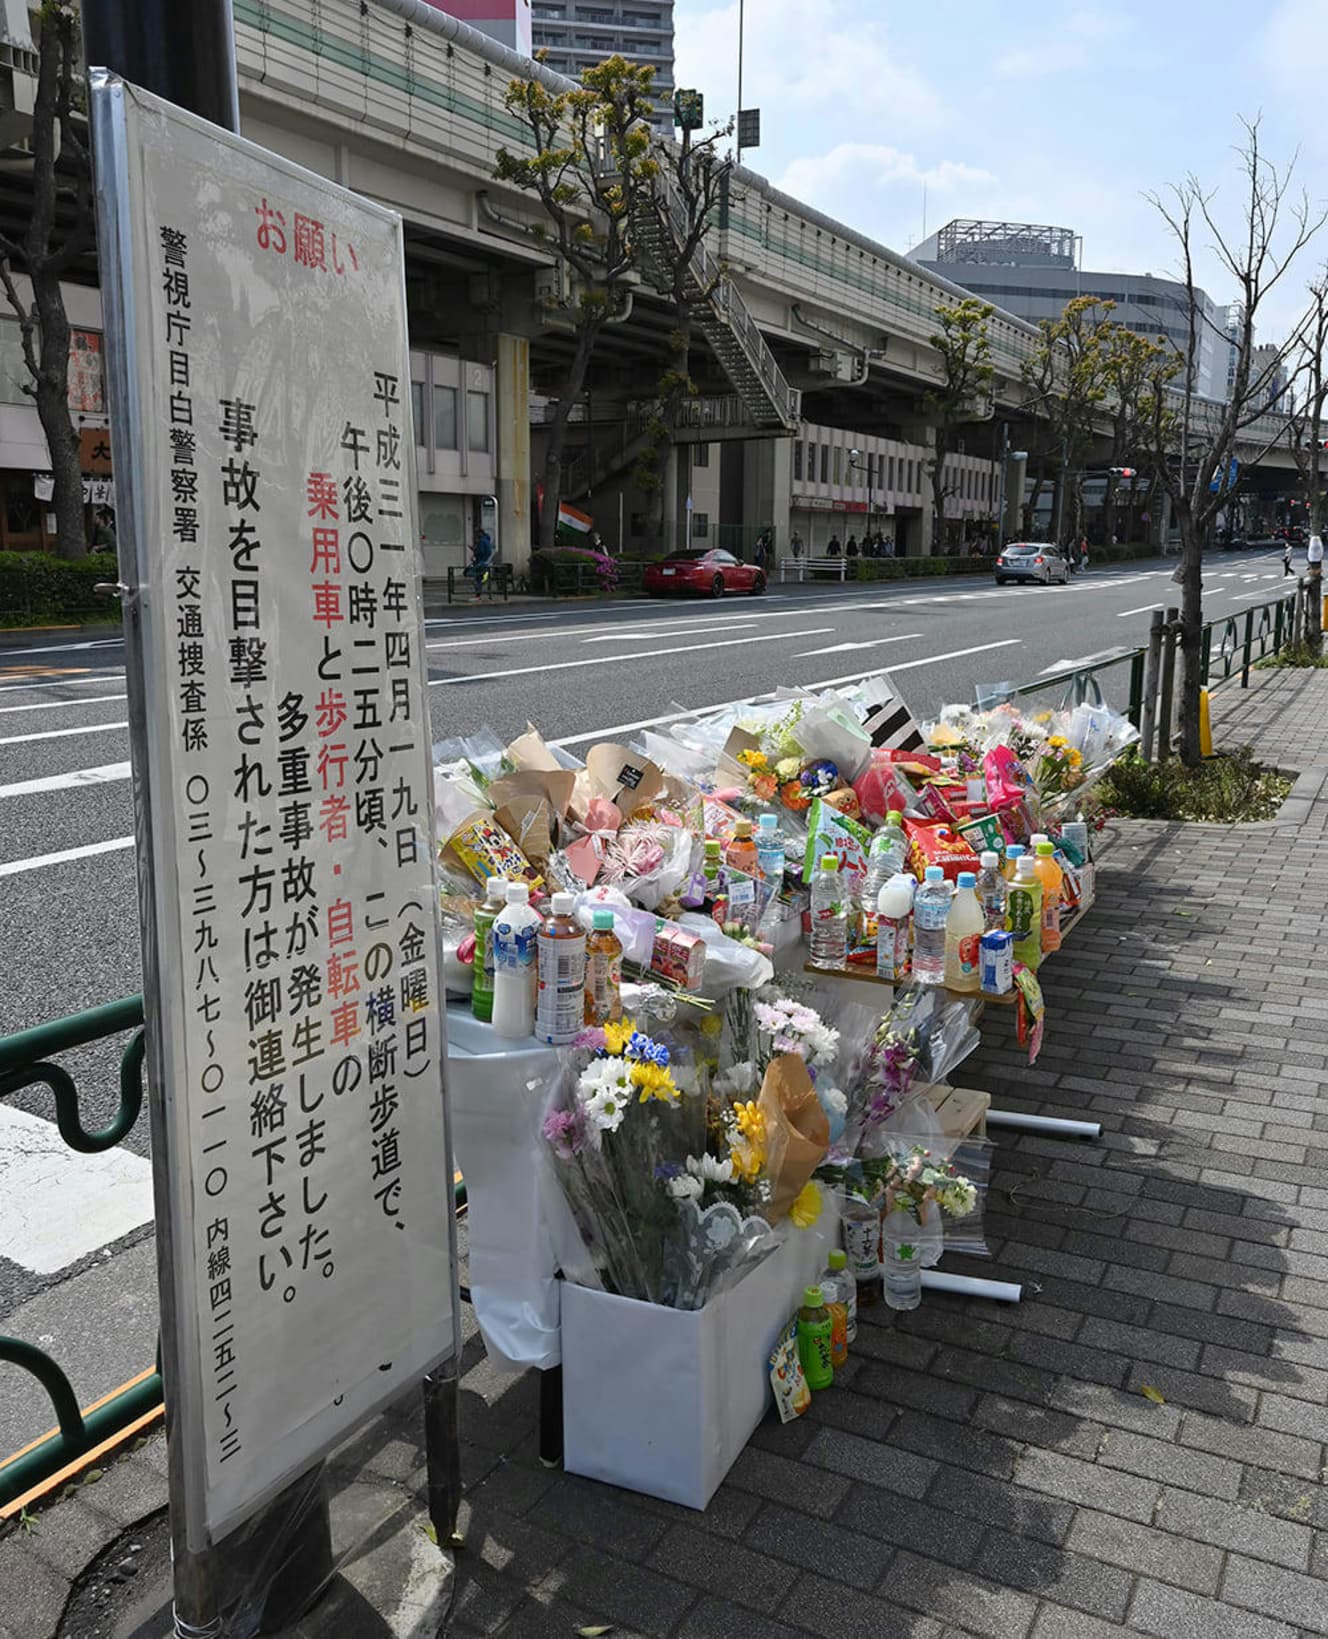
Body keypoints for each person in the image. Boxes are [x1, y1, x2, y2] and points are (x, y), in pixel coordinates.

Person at [467, 527, 495, 599]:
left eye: (477, 534)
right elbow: (488, 551)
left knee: (477, 578)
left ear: (480, 533)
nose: (476, 535)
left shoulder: (482, 541)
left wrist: (474, 550)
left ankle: (478, 594)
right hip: (486, 562)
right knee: (482, 577)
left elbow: (480, 552)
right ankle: (484, 593)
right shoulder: (487, 540)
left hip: (480, 562)